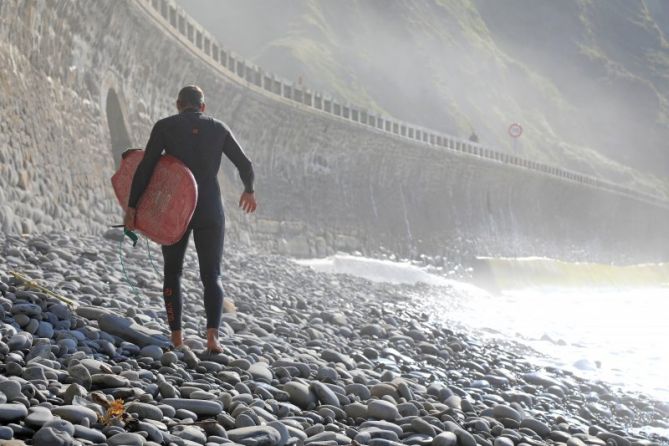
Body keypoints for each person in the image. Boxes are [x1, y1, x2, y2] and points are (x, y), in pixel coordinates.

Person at [123, 85, 256, 353]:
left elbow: (146, 167)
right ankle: (212, 338)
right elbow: (245, 164)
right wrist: (249, 190)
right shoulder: (218, 128)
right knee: (212, 275)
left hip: (176, 212)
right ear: (203, 106)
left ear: (178, 104)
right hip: (209, 210)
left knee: (172, 272)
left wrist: (133, 207)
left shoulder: (165, 126)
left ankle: (176, 337)